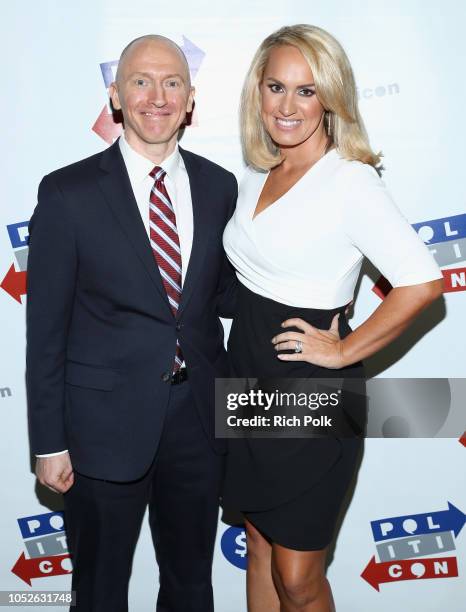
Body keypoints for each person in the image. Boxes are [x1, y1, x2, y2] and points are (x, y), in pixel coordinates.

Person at [222, 24, 444, 612]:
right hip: (246, 376)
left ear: (330, 99)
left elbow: (423, 283)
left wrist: (344, 351)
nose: (287, 105)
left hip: (308, 387)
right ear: (258, 93)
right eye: (276, 87)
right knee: (260, 542)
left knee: (298, 576)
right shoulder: (257, 175)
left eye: (306, 90)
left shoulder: (350, 180)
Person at [26, 34, 237, 612]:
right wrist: (49, 442)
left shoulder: (221, 187)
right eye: (140, 81)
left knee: (193, 584)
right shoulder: (67, 193)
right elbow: (44, 332)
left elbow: (224, 295)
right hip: (100, 429)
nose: (157, 96)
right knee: (98, 591)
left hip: (198, 421)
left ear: (191, 99)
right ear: (115, 97)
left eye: (172, 82)